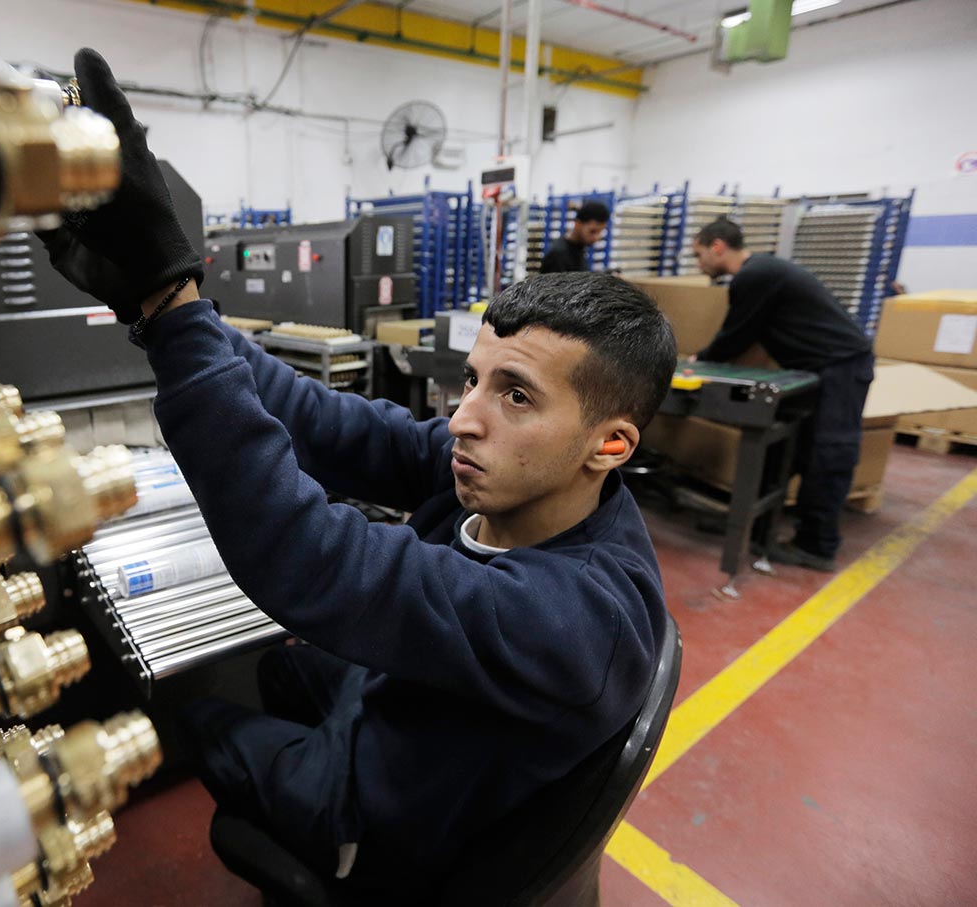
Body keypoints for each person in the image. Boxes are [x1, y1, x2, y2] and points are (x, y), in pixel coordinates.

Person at [39, 49, 675, 900]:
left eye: (516, 394)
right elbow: (323, 420)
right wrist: (163, 308)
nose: (465, 418)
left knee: (186, 709)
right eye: (476, 379)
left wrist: (174, 308)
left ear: (610, 443)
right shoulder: (517, 482)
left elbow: (310, 556)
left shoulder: (575, 619)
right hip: (413, 714)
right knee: (281, 669)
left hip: (385, 809)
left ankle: (319, 836)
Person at [690, 217, 875, 571]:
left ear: (717, 247)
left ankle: (817, 546)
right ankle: (746, 526)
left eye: (699, 255)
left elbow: (737, 335)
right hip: (813, 369)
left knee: (826, 454)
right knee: (782, 451)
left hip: (840, 366)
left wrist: (700, 359)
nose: (699, 265)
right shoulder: (763, 271)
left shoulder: (754, 275)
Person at [540, 200, 610, 273]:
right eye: (592, 231)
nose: (597, 237)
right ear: (577, 225)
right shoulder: (558, 255)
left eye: (600, 232)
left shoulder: (579, 248)